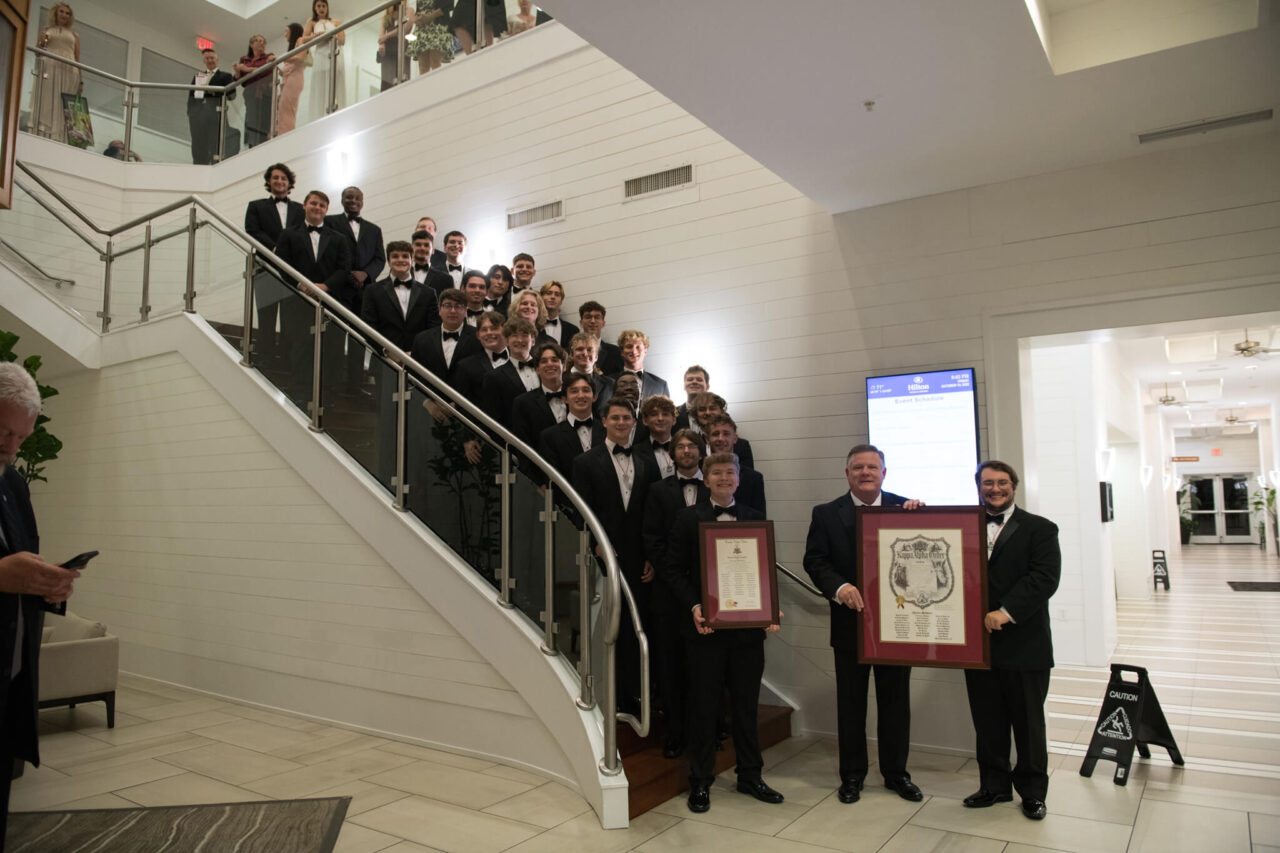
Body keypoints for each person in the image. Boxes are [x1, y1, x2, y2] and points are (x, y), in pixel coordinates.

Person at [802, 445, 925, 806]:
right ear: (848, 474)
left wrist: (923, 516)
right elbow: (815, 560)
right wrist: (839, 587)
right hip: (849, 624)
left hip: (898, 625)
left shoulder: (907, 508)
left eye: (873, 467)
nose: (866, 472)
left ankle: (896, 774)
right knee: (851, 705)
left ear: (884, 473)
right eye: (858, 467)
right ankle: (852, 775)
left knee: (895, 703)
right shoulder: (825, 514)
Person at [662, 452, 784, 813]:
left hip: (748, 633)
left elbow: (762, 569)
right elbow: (672, 569)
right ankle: (700, 781)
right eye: (716, 473)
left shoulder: (753, 517)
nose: (724, 478)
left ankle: (751, 775)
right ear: (706, 479)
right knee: (704, 706)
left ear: (738, 479)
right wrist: (695, 606)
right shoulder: (687, 518)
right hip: (706, 630)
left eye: (730, 473)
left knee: (746, 706)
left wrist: (769, 606)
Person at [0, 363, 80, 839]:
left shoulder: (13, 482)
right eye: (3, 430)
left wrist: (50, 585)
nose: (11, 447)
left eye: (21, 437)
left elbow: (22, 562)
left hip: (8, 681)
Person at [963, 460, 1061, 822]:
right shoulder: (963, 525)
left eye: (1002, 483)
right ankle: (994, 786)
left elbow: (1045, 578)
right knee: (987, 721)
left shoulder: (1041, 528)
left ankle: (1033, 793)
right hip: (977, 645)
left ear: (1014, 486)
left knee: (1029, 724)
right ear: (978, 487)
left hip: (1025, 643)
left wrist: (1006, 611)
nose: (994, 489)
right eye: (987, 483)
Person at [572, 398, 660, 715]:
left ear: (634, 423)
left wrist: (651, 555)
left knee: (636, 628)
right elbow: (580, 509)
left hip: (638, 558)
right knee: (606, 625)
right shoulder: (585, 462)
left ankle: (633, 695)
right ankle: (604, 693)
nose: (622, 423)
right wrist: (598, 542)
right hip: (602, 555)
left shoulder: (647, 462)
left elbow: (653, 513)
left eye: (627, 418)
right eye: (616, 418)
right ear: (604, 421)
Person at [642, 428, 708, 759]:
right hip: (668, 593)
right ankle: (675, 733)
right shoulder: (657, 490)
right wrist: (670, 573)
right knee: (669, 666)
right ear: (672, 453)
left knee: (704, 668)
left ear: (701, 451)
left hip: (708, 592)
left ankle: (705, 731)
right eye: (680, 446)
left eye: (691, 446)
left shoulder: (714, 488)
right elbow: (651, 537)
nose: (685, 451)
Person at [272, 190, 352, 403]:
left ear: (326, 210)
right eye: (314, 203)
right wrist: (301, 285)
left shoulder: (339, 238)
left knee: (331, 349)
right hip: (298, 300)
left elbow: (344, 269)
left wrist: (324, 287)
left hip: (329, 301)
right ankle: (300, 393)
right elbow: (282, 264)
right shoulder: (288, 234)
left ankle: (328, 396)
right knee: (300, 347)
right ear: (304, 206)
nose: (317, 208)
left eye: (322, 205)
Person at [326, 186, 386, 396]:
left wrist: (365, 274)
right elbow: (327, 252)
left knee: (360, 340)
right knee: (334, 338)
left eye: (357, 198)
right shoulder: (330, 222)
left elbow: (380, 258)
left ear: (363, 201)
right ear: (342, 200)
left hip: (365, 293)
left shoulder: (374, 229)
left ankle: (355, 385)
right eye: (348, 197)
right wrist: (348, 273)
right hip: (339, 290)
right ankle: (330, 384)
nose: (353, 201)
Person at [244, 163, 305, 365]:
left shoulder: (300, 209)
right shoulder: (256, 206)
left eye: (283, 178)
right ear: (269, 182)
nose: (280, 181)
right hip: (266, 267)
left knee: (290, 318)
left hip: (293, 270)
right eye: (276, 178)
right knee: (267, 316)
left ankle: (287, 361)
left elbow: (302, 235)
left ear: (290, 183)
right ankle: (266, 360)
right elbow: (253, 231)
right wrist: (277, 249)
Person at [29, 3, 80, 144]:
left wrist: (80, 81)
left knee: (62, 101)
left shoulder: (74, 35)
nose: (64, 15)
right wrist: (41, 43)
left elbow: (77, 58)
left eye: (67, 13)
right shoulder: (46, 30)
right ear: (56, 14)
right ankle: (42, 133)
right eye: (61, 12)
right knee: (47, 99)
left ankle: (61, 137)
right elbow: (38, 52)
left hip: (69, 70)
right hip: (49, 67)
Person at [538, 372, 602, 483]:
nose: (581, 395)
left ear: (595, 397)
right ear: (565, 399)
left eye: (586, 390)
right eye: (574, 391)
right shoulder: (550, 437)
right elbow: (553, 480)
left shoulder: (609, 431)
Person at [409, 288, 478, 385]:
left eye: (458, 306)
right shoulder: (422, 339)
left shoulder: (478, 338)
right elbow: (414, 374)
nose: (453, 311)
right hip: (430, 398)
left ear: (465, 310)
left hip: (465, 399)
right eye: (448, 305)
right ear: (439, 309)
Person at [480, 317, 538, 429]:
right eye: (514, 335)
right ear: (506, 341)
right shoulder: (493, 377)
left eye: (525, 335)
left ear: (533, 340)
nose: (520, 340)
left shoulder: (546, 369)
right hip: (516, 440)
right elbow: (493, 418)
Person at [510, 341, 567, 449]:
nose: (549, 364)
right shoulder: (523, 403)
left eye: (554, 360)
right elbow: (523, 444)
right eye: (544, 361)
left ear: (564, 366)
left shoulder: (578, 397)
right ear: (537, 369)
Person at [705, 414, 764, 515]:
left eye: (726, 434)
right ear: (707, 439)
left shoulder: (754, 478)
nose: (721, 438)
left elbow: (760, 523)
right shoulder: (700, 475)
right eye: (715, 434)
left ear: (735, 438)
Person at [187, 48, 235, 165]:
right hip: (198, 116)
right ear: (204, 61)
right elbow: (191, 95)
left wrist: (212, 92)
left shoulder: (225, 76)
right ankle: (198, 166)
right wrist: (191, 113)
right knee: (198, 143)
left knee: (215, 142)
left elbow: (231, 95)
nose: (210, 60)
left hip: (215, 114)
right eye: (207, 58)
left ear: (217, 59)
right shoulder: (198, 76)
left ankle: (215, 164)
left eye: (212, 58)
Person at [301, 0, 345, 122]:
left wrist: (330, 36)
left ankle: (336, 112)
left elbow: (342, 40)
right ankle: (320, 116)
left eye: (324, 6)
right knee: (320, 84)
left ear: (327, 8)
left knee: (335, 82)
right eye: (319, 6)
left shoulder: (336, 22)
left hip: (335, 53)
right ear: (314, 8)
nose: (321, 8)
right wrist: (315, 37)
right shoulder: (311, 22)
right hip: (321, 55)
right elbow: (303, 40)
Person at [452, 311, 508, 402]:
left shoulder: (523, 360)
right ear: (478, 335)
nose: (489, 333)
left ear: (505, 331)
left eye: (494, 328)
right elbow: (462, 406)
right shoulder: (466, 367)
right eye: (484, 330)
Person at [234, 35, 275, 147]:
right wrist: (238, 71)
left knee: (264, 118)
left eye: (263, 41)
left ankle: (264, 143)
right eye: (258, 41)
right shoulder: (245, 59)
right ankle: (251, 144)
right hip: (250, 93)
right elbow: (239, 79)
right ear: (251, 44)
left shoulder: (268, 56)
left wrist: (247, 69)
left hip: (265, 93)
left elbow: (267, 70)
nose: (261, 43)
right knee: (251, 119)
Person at [611, 330, 670, 399]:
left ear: (645, 351)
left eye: (638, 347)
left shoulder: (661, 386)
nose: (634, 351)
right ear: (622, 352)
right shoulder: (608, 382)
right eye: (629, 346)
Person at [405, 0, 453, 76]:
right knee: (422, 65)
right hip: (422, 28)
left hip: (437, 27)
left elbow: (447, 5)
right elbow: (419, 9)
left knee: (435, 61)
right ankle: (424, 86)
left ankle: (436, 85)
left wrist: (429, 16)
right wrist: (417, 18)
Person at [276, 23, 307, 135]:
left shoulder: (300, 40)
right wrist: (278, 69)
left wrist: (282, 58)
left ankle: (286, 134)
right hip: (290, 78)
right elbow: (287, 70)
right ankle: (283, 133)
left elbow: (300, 57)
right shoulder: (294, 46)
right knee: (284, 109)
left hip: (294, 79)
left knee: (287, 109)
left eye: (286, 31)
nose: (285, 35)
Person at [636, 395, 677, 479]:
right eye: (654, 414)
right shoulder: (635, 452)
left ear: (674, 420)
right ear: (645, 420)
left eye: (665, 414)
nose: (660, 418)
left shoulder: (686, 448)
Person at [578, 301, 621, 375]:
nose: (592, 321)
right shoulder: (569, 352)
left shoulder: (616, 353)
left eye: (597, 317)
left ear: (603, 323)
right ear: (581, 323)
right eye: (588, 317)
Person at [539, 281, 578, 347]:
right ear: (541, 297)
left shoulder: (573, 330)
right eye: (549, 293)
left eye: (557, 294)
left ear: (561, 301)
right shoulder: (532, 327)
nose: (553, 297)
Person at [377, 6, 406, 91]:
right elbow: (381, 33)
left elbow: (404, 28)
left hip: (401, 44)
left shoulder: (406, 11)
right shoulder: (385, 17)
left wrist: (386, 36)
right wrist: (381, 44)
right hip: (389, 48)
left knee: (400, 75)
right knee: (387, 79)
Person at [674, 365, 708, 431]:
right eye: (690, 379)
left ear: (707, 386)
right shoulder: (673, 414)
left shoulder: (719, 413)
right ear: (684, 386)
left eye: (699, 379)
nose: (694, 382)